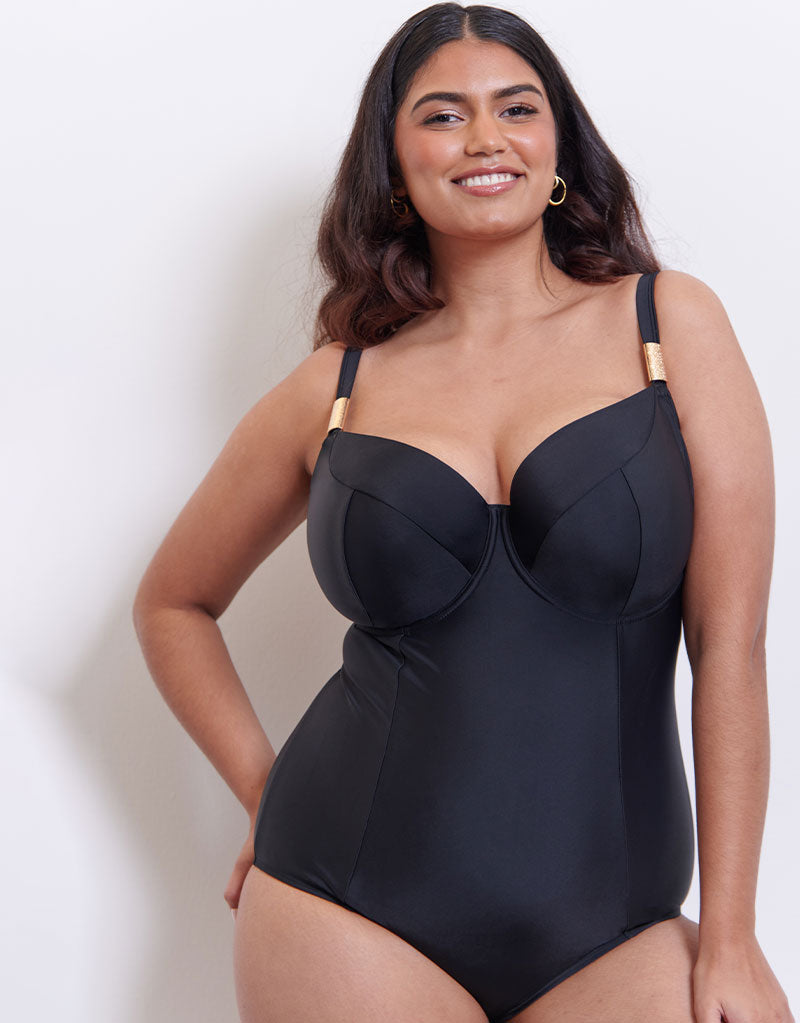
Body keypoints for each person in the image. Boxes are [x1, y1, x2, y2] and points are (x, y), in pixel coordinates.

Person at [132, 4, 793, 1022]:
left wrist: (733, 936)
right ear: (395, 167)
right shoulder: (337, 386)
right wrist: (266, 793)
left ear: (558, 146)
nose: (485, 137)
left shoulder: (669, 327)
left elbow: (729, 642)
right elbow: (173, 602)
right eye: (442, 115)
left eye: (516, 108)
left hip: (617, 928)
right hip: (344, 905)